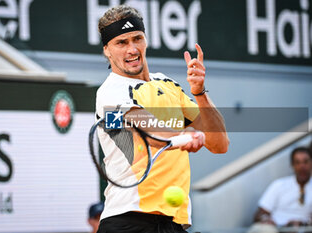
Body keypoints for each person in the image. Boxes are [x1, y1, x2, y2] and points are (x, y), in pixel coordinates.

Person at [95, 5, 229, 233]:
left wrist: (199, 92)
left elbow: (220, 144)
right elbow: (150, 134)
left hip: (172, 222)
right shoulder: (109, 94)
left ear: (146, 40)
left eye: (137, 38)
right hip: (127, 220)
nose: (132, 49)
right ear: (107, 50)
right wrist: (184, 136)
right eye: (121, 42)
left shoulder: (168, 85)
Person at [249, 147, 312, 233]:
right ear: (292, 165)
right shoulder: (279, 185)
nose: (302, 166)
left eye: (305, 162)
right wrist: (267, 220)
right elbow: (259, 214)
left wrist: (303, 224)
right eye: (297, 162)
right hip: (276, 229)